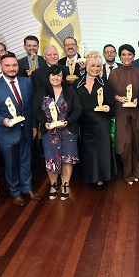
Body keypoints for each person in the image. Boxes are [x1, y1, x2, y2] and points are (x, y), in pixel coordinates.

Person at [0, 53, 37, 206]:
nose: (12, 68)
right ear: (1, 67)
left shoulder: (27, 82)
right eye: (7, 65)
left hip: (26, 130)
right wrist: (3, 120)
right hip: (7, 133)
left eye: (14, 65)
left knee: (26, 162)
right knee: (11, 165)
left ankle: (27, 188)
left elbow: (31, 106)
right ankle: (15, 192)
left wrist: (34, 125)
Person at [35, 65, 81, 199]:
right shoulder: (41, 90)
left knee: (67, 159)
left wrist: (68, 121)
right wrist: (44, 122)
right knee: (51, 159)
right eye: (53, 75)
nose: (56, 78)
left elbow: (78, 109)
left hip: (68, 131)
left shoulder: (69, 90)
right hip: (49, 132)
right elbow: (36, 110)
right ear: (48, 76)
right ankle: (54, 185)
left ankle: (66, 184)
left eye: (59, 75)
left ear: (63, 77)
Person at [76, 51, 117, 189]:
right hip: (85, 123)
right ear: (87, 66)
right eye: (92, 65)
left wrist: (108, 108)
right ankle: (90, 177)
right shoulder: (77, 83)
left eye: (98, 66)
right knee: (88, 151)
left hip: (101, 122)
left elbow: (112, 105)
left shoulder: (104, 82)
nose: (95, 69)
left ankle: (101, 178)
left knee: (101, 151)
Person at [108, 44, 139, 184]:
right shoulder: (114, 73)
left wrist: (138, 99)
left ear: (134, 56)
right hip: (121, 111)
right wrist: (117, 98)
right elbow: (109, 93)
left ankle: (137, 172)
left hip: (137, 111)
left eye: (129, 54)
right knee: (126, 143)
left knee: (137, 142)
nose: (126, 57)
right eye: (123, 54)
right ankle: (128, 174)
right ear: (119, 57)